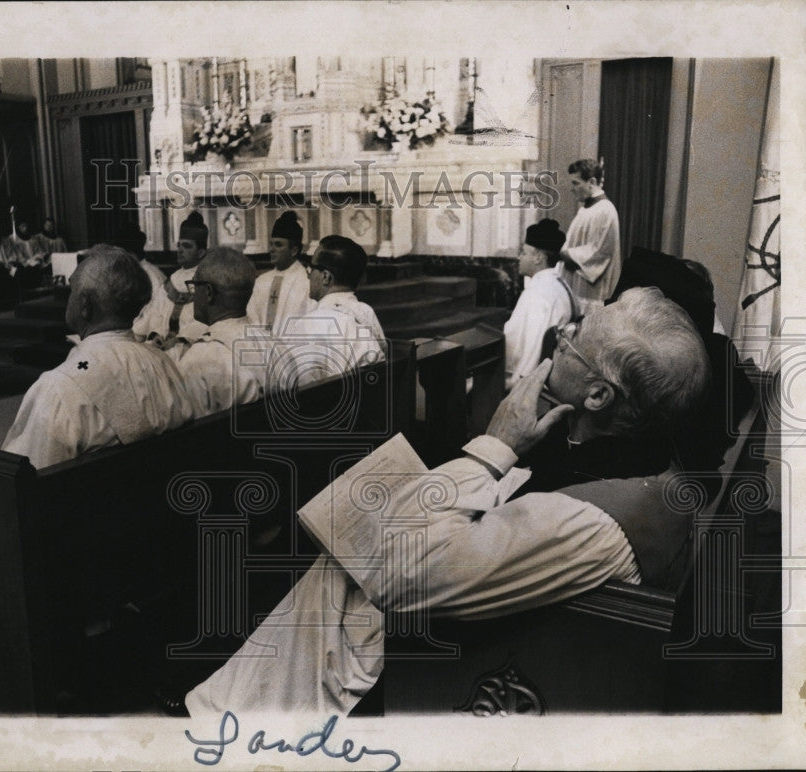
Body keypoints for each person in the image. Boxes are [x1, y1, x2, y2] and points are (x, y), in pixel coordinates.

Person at [185, 287, 710, 716]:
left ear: (598, 396)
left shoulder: (593, 520)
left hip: (413, 673)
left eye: (570, 342)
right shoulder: (612, 456)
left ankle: (226, 717)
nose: (559, 342)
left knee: (340, 568)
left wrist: (494, 447)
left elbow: (399, 571)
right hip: (404, 632)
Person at [2, 244, 196, 469]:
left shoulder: (57, 388)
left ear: (85, 305)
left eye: (72, 290)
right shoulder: (163, 364)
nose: (68, 298)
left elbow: (25, 477)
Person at [277, 234, 385, 388]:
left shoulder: (308, 325)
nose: (308, 274)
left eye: (312, 268)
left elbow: (290, 386)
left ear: (326, 277)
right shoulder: (367, 312)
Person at [176, 247, 267, 416]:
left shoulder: (197, 361)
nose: (193, 296)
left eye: (194, 286)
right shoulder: (272, 342)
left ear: (209, 292)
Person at [503, 218, 575, 389]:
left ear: (538, 258)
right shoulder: (559, 284)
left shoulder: (539, 294)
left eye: (523, 252)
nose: (519, 257)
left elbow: (533, 348)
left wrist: (517, 383)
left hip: (533, 380)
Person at [132, 210, 209, 347]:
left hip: (191, 347)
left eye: (186, 246)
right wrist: (156, 334)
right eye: (179, 245)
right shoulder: (173, 280)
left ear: (201, 252)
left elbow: (207, 320)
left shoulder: (208, 279)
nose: (179, 250)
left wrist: (181, 339)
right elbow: (155, 313)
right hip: (164, 346)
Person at [558, 158, 621, 314]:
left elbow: (600, 252)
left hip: (592, 291)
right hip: (577, 285)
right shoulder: (586, 210)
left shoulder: (605, 210)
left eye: (576, 183)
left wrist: (566, 254)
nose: (572, 189)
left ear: (592, 181)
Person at [246, 211, 314, 336]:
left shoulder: (306, 281)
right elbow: (252, 317)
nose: (271, 249)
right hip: (260, 350)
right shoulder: (262, 280)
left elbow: (308, 323)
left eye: (278, 245)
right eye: (271, 244)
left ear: (294, 250)